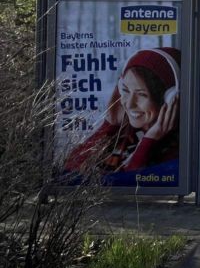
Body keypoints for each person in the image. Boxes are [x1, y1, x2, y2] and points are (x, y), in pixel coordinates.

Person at [65, 47, 180, 175]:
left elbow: (132, 183)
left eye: (142, 94)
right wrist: (109, 126)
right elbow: (69, 171)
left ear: (170, 98)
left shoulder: (175, 154)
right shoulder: (126, 134)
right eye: (125, 90)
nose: (129, 104)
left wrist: (149, 141)